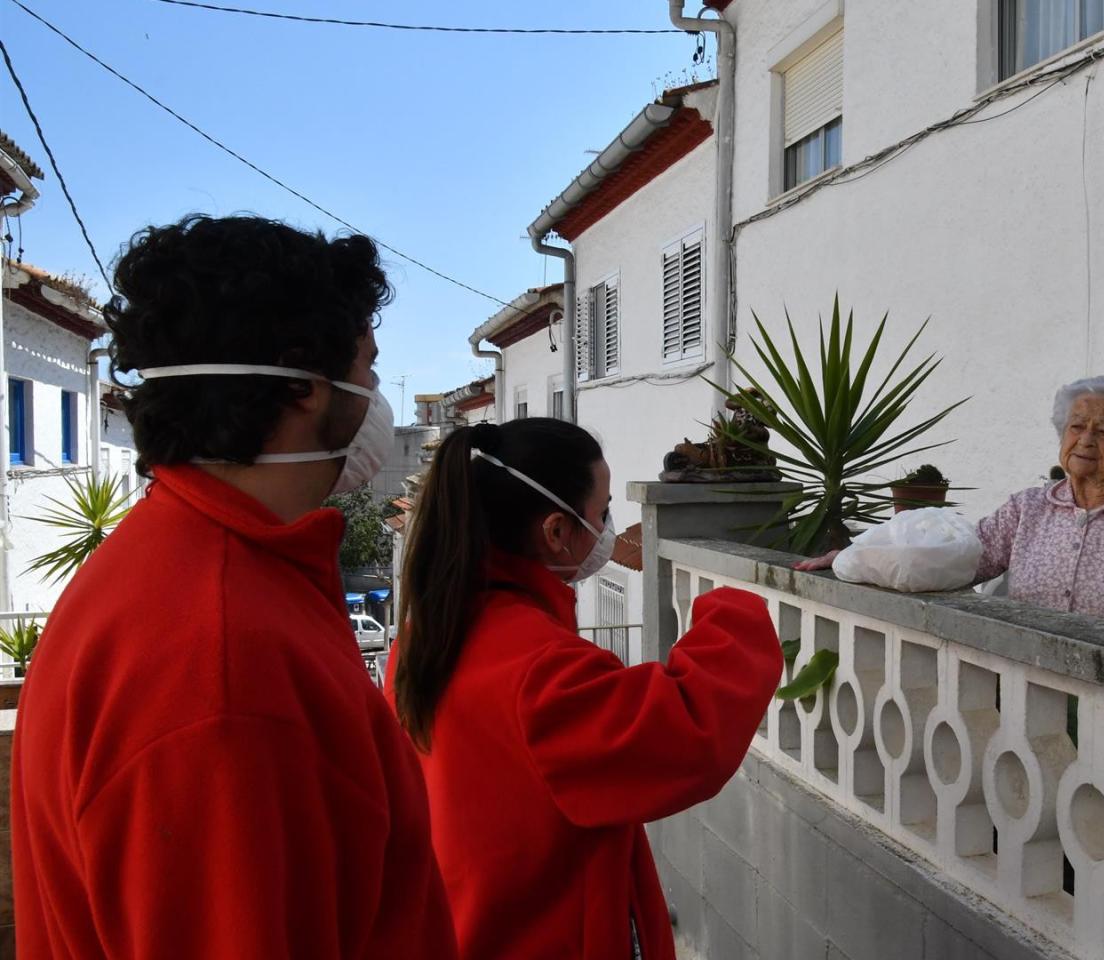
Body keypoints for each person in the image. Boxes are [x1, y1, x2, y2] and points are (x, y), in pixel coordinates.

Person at [10, 215, 456, 959]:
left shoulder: (178, 564)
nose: (377, 393)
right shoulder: (222, 661)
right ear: (306, 385)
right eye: (368, 368)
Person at [389, 418, 781, 960]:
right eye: (600, 514)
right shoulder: (540, 668)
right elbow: (687, 730)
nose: (608, 532)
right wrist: (734, 605)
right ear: (555, 531)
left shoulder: (427, 633)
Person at [800, 375, 1104, 778]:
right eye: (1076, 426)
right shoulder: (1028, 509)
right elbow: (959, 560)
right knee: (1037, 823)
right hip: (1033, 704)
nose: (1086, 439)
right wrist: (856, 557)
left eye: (1103, 431)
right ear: (1061, 437)